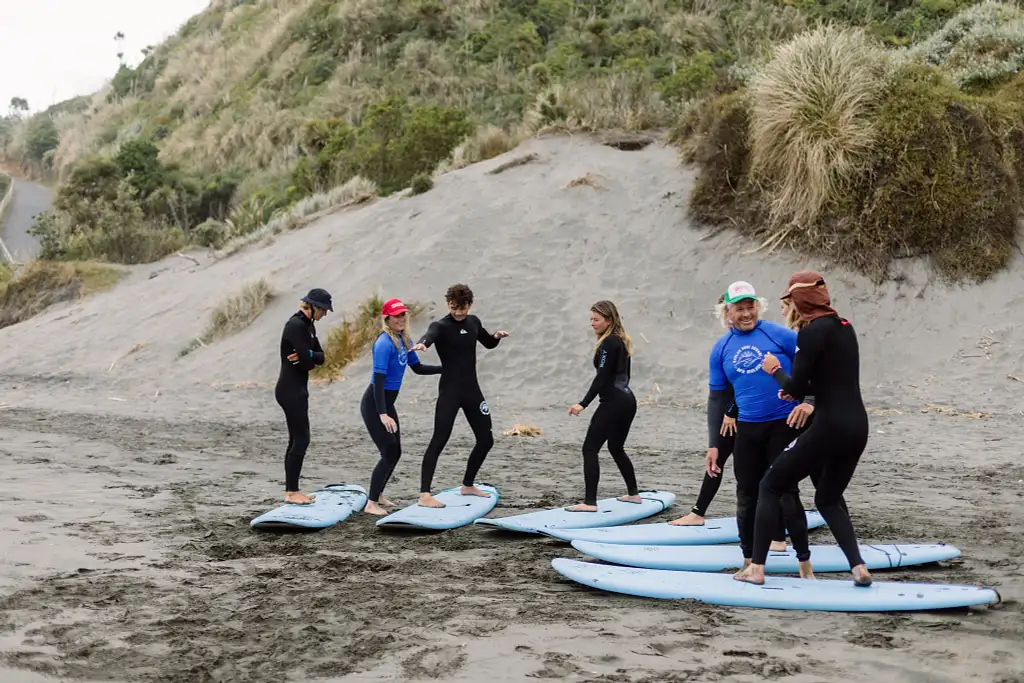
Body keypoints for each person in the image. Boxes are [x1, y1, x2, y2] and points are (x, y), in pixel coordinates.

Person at [735, 271, 872, 587]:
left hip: (829, 425)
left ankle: (756, 569)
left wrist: (776, 371)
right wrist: (796, 384)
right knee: (828, 498)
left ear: (799, 302)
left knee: (770, 484)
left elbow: (796, 388)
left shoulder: (811, 334)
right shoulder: (845, 328)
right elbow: (827, 379)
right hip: (858, 425)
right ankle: (859, 567)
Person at [702, 281, 815, 575]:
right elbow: (718, 398)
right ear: (727, 312)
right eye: (739, 308)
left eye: (750, 306)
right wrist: (714, 443)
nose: (746, 313)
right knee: (746, 493)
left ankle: (804, 560)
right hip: (748, 430)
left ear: (758, 306)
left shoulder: (779, 335)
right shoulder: (721, 349)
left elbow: (813, 366)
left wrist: (811, 401)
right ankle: (750, 561)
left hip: (785, 424)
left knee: (787, 491)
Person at [410, 283, 509, 508]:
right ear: (448, 304)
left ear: (469, 305)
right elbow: (430, 335)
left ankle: (468, 484)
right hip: (450, 392)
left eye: (462, 308)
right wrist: (423, 344)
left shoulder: (474, 322)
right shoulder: (440, 326)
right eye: (454, 308)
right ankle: (424, 494)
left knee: (486, 439)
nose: (458, 312)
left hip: (472, 390)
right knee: (439, 439)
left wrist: (496, 336)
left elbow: (488, 342)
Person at [361, 298, 442, 516]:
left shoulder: (403, 338)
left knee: (395, 451)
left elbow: (417, 367)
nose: (401, 319)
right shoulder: (384, 343)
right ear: (387, 318)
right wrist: (382, 414)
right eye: (396, 316)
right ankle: (371, 503)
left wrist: (445, 369)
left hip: (387, 404)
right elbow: (378, 382)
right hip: (375, 405)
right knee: (388, 452)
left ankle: (377, 495)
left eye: (403, 315)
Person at [567, 301, 642, 512]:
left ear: (608, 320)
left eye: (596, 319)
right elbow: (625, 375)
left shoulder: (609, 343)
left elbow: (601, 378)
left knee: (590, 448)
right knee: (616, 448)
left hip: (614, 403)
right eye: (591, 319)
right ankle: (634, 494)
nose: (592, 323)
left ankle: (590, 502)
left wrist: (583, 403)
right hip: (628, 400)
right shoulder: (621, 340)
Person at [275, 288, 331, 505]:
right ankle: (291, 491)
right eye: (324, 309)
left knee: (296, 439)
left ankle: (291, 491)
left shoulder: (309, 325)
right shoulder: (296, 325)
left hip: (298, 388)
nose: (325, 314)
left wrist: (307, 353)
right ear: (313, 306)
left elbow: (321, 357)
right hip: (289, 389)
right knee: (302, 439)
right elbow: (310, 364)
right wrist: (310, 357)